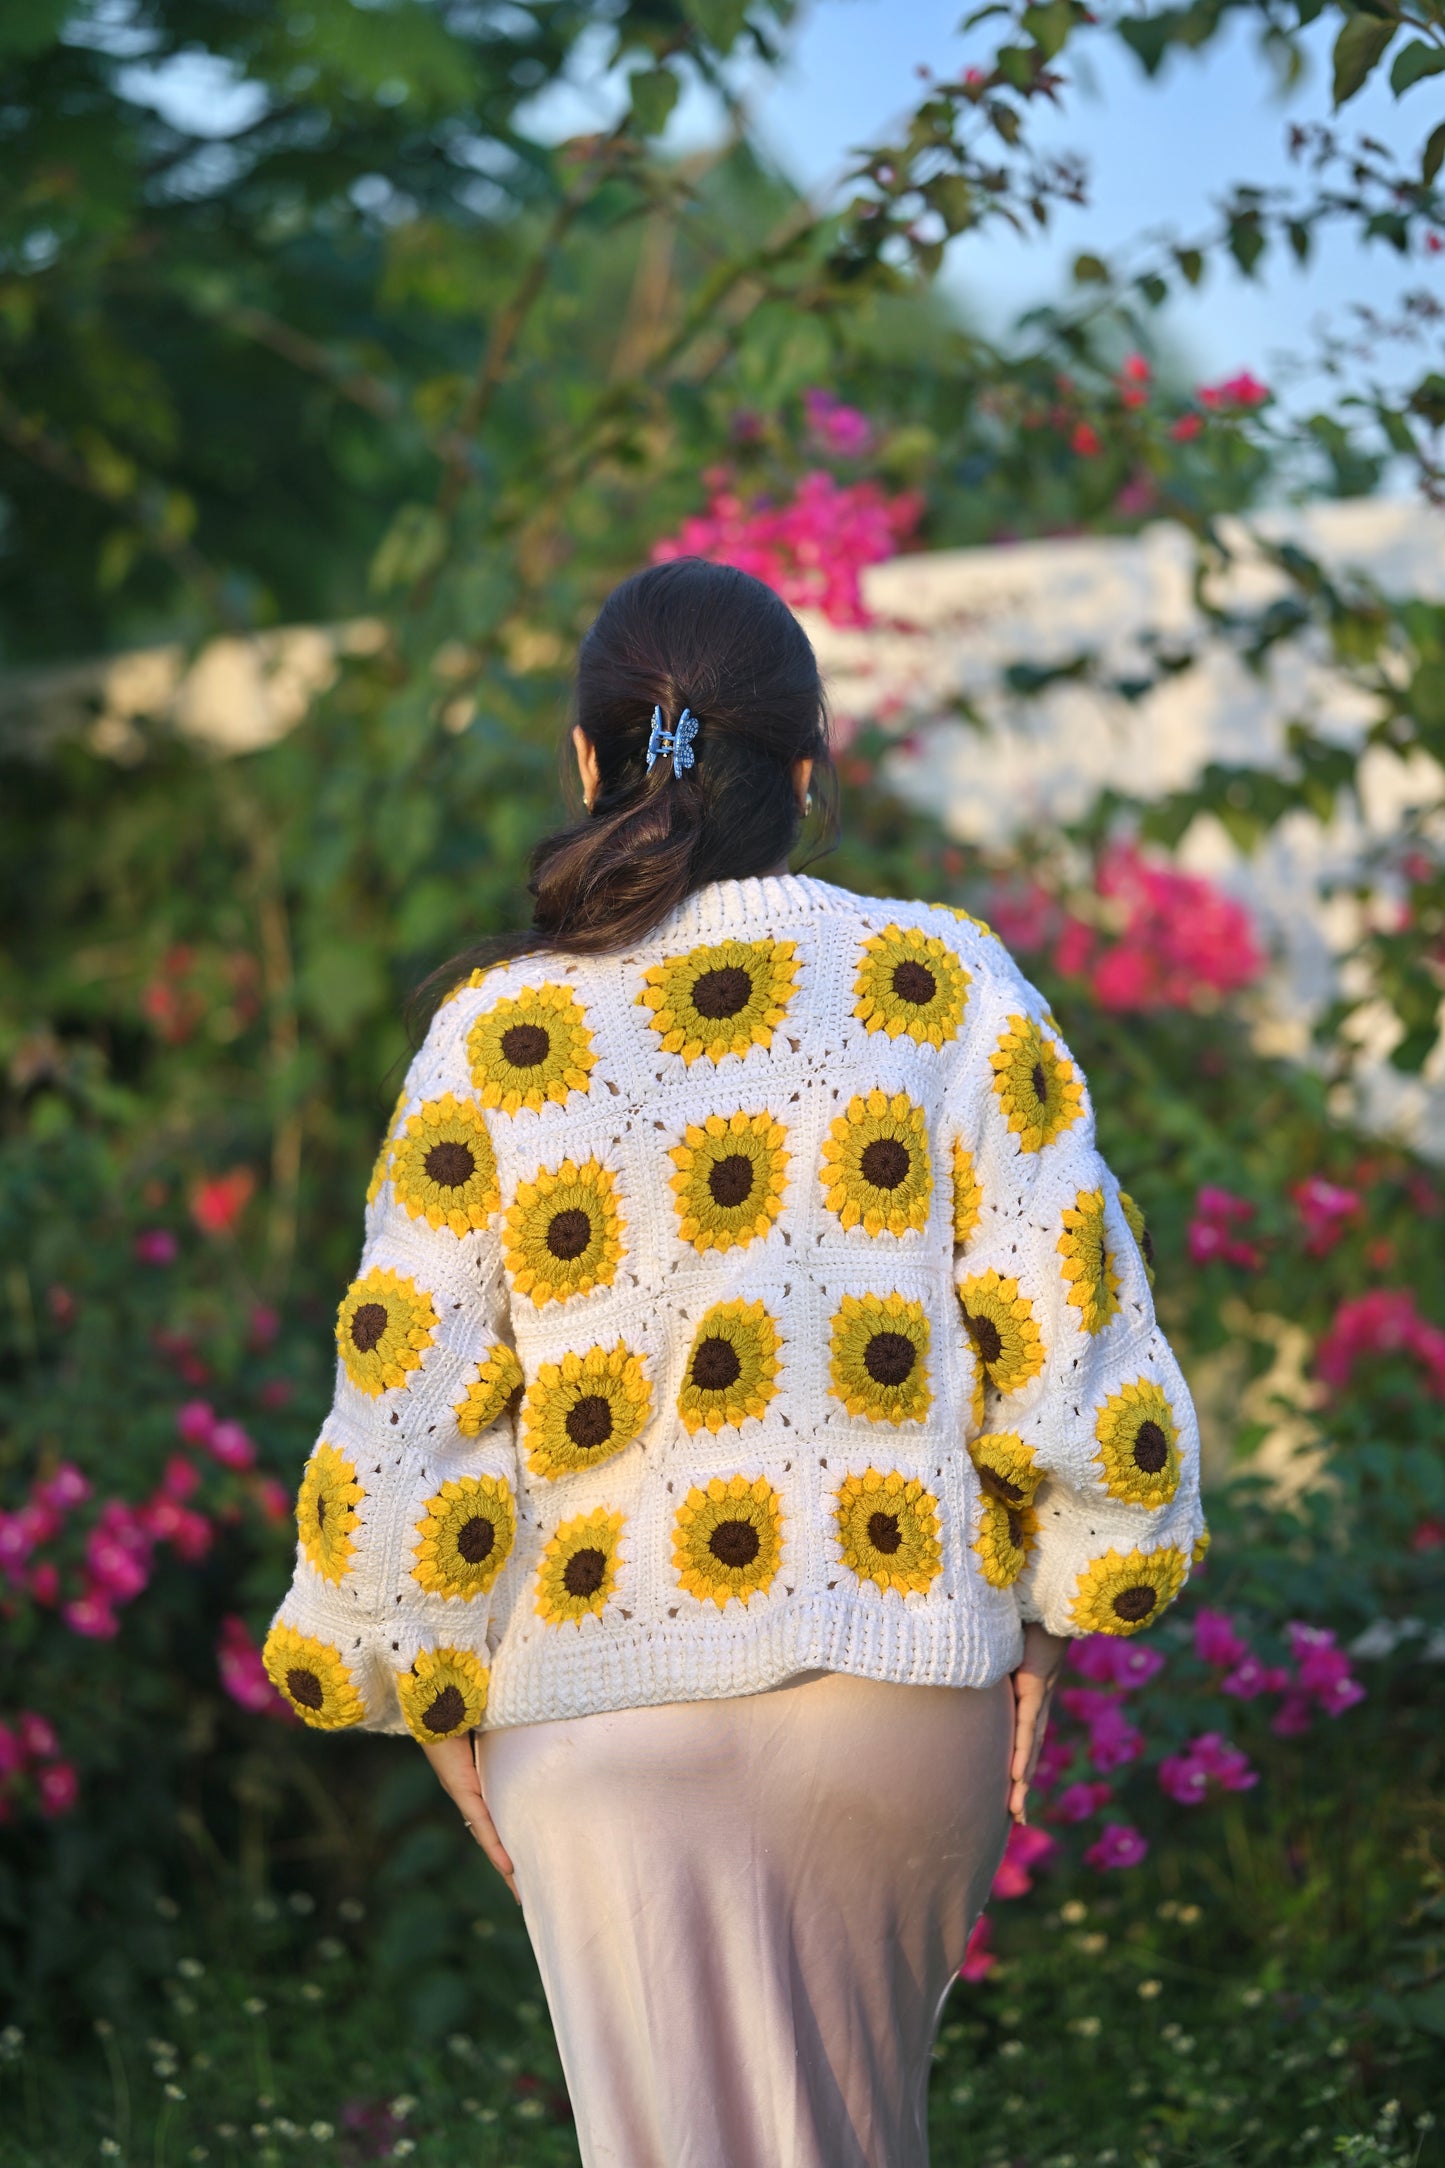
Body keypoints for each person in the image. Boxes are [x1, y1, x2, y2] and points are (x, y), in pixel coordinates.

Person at [263, 557, 1205, 2168]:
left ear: (585, 762)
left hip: (602, 1722)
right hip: (899, 1695)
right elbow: (1077, 1354)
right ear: (812, 763)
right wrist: (1055, 1620)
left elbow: (404, 1409)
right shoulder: (946, 988)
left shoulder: (496, 1038)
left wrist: (425, 1698)